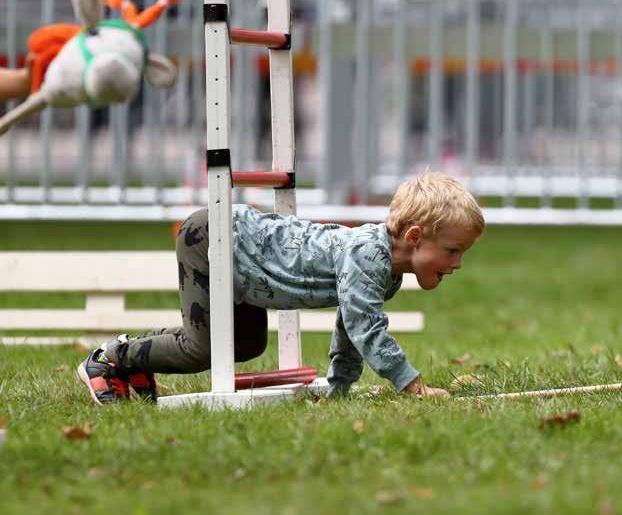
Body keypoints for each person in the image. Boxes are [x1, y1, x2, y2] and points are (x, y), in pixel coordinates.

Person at [76, 171, 485, 404]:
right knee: (204, 348)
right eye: (451, 251)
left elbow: (350, 328)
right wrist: (412, 386)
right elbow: (367, 330)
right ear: (414, 236)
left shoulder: (385, 268)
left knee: (244, 345)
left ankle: (133, 363)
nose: (457, 264)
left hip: (246, 266)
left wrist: (339, 388)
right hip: (216, 239)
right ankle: (108, 359)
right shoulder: (368, 257)